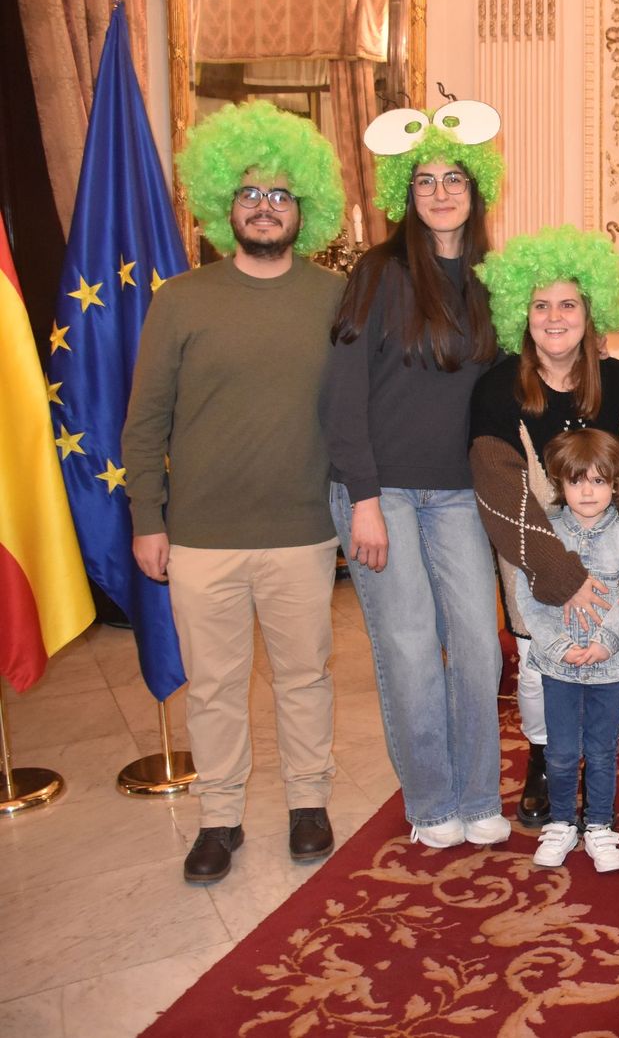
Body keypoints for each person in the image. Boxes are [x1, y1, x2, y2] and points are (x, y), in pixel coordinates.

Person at [124, 101, 347, 883]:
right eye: (249, 193)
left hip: (300, 531)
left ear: (304, 208)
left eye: (280, 194)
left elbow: (357, 411)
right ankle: (219, 817)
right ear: (224, 204)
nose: (263, 206)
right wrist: (147, 519)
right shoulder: (180, 299)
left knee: (304, 677)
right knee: (214, 685)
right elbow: (145, 420)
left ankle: (308, 803)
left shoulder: (333, 299)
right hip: (199, 536)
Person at [321, 102, 507, 850]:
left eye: (453, 177)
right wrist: (362, 497)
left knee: (479, 645)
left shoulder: (494, 279)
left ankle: (479, 793)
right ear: (406, 191)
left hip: (459, 493)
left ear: (475, 187)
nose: (439, 191)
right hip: (383, 492)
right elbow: (342, 392)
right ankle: (433, 803)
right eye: (424, 179)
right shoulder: (377, 271)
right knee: (407, 647)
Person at [470, 225, 619, 828]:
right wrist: (562, 577)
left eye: (568, 304)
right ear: (521, 313)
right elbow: (501, 495)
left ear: (591, 312)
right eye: (540, 305)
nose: (554, 317)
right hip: (534, 570)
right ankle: (543, 761)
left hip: (617, 571)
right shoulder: (496, 389)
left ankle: (601, 773)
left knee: (607, 679)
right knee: (542, 679)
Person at [519, 430, 619, 873]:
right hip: (559, 666)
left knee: (602, 749)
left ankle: (598, 826)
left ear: (615, 484)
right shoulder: (545, 536)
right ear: (560, 484)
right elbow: (529, 595)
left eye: (597, 481)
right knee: (558, 749)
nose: (587, 491)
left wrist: (603, 643)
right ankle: (560, 823)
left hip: (610, 667)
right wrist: (558, 646)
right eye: (576, 482)